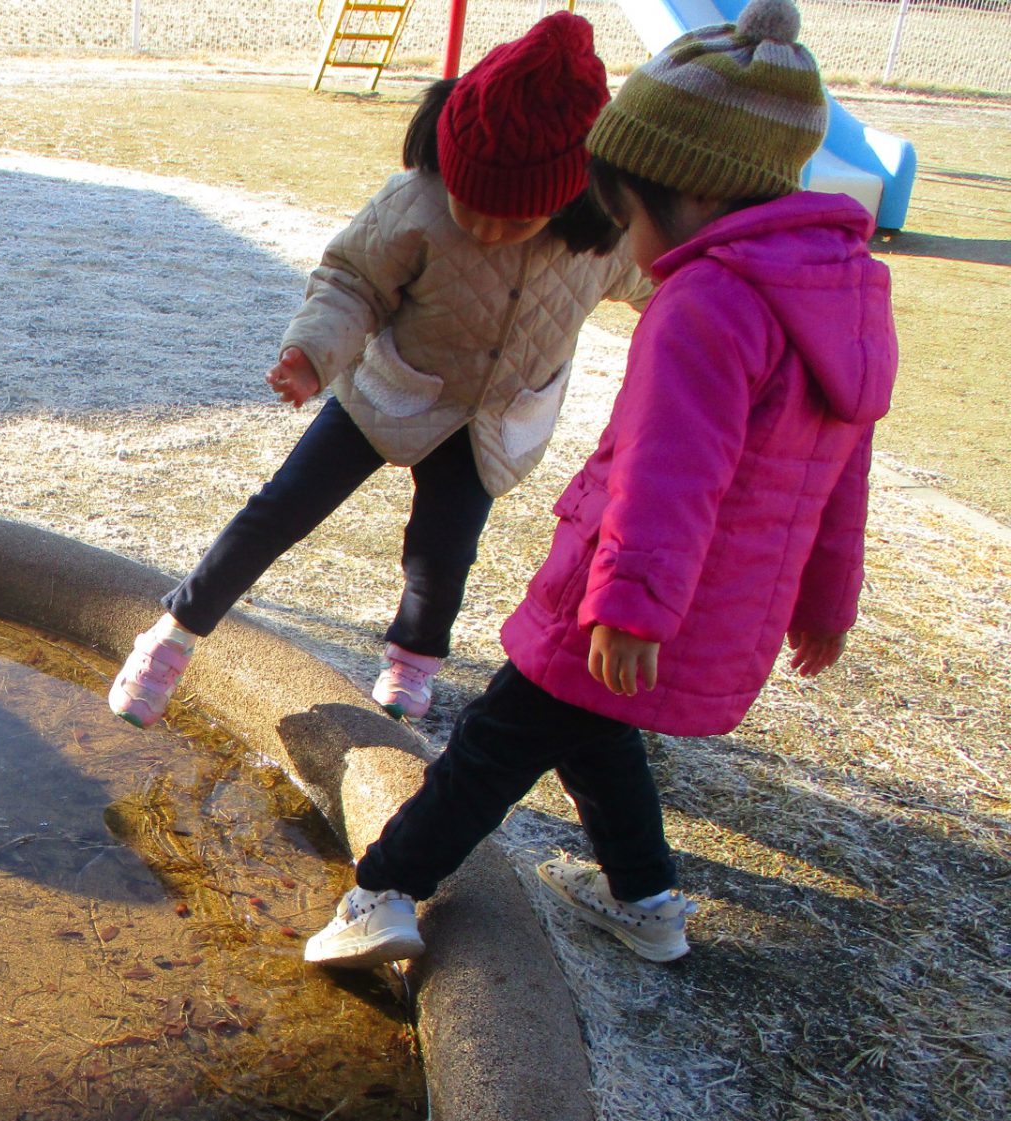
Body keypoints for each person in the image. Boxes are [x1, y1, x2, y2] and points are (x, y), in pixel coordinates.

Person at [302, 0, 897, 970]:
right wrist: (829, 602)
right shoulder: (846, 295)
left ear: (686, 192)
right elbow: (845, 468)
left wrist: (625, 607)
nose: (623, 239)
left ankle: (385, 890)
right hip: (698, 611)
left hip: (622, 599)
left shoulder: (706, 304)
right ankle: (648, 903)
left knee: (495, 742)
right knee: (594, 732)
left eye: (626, 216)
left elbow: (670, 472)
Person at [109, 12, 647, 728]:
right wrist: (311, 355)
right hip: (390, 390)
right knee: (282, 507)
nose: (487, 231)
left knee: (443, 551)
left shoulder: (603, 239)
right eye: (470, 207)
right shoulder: (416, 203)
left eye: (515, 222)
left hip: (492, 421)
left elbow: (669, 287)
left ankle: (413, 660)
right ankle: (173, 635)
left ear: (572, 196)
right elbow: (352, 281)